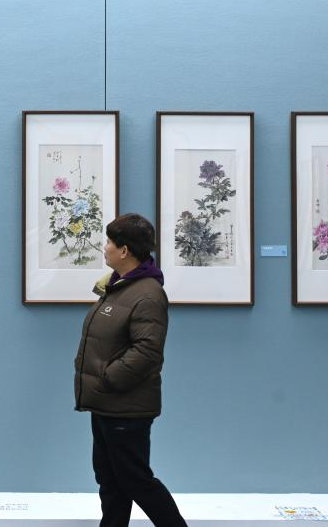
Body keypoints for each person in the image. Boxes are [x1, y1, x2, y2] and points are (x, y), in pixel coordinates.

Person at [74, 213, 187, 527]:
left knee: (135, 479)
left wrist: (109, 378)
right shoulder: (118, 286)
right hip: (106, 403)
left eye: (109, 242)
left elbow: (147, 351)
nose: (105, 247)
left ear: (124, 250)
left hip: (125, 406)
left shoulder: (147, 294)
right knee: (110, 479)